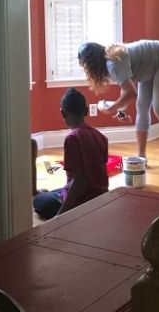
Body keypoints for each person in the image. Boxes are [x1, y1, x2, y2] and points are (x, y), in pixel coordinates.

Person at [78, 39, 159, 168]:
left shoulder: (113, 63)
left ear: (91, 63)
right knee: (142, 107)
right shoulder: (111, 60)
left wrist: (111, 108)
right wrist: (122, 109)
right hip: (150, 66)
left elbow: (131, 93)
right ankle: (141, 158)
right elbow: (127, 86)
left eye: (85, 66)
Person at [32, 87, 109, 220]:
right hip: (100, 198)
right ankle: (53, 195)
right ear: (86, 111)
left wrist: (60, 216)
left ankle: (52, 199)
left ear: (63, 113)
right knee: (54, 192)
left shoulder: (72, 139)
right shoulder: (101, 136)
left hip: (83, 203)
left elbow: (78, 182)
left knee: (39, 201)